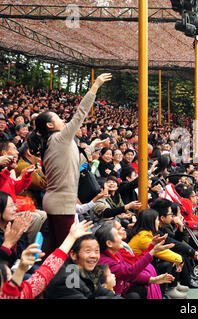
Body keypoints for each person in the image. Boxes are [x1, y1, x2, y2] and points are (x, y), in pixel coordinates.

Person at [27, 73, 112, 254]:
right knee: (67, 250)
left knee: (55, 248)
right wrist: (95, 86)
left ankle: (49, 280)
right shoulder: (59, 138)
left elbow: (76, 161)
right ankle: (64, 281)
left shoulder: (55, 142)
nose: (63, 120)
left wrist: (92, 147)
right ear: (50, 125)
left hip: (57, 202)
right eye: (58, 118)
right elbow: (80, 114)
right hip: (61, 204)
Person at [0, 219, 93, 299]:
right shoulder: (17, 294)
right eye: (9, 279)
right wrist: (20, 270)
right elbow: (10, 292)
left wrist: (71, 237)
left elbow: (46, 271)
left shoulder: (22, 293)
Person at [95, 220, 175, 299]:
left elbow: (128, 273)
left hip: (124, 287)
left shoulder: (116, 252)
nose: (121, 235)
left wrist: (152, 280)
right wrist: (152, 251)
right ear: (109, 243)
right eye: (117, 233)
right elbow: (130, 271)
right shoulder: (106, 262)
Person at [127, 209, 186, 299]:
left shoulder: (145, 233)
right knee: (167, 263)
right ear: (151, 222)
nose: (158, 222)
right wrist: (180, 259)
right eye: (157, 220)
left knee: (170, 261)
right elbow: (161, 252)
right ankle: (163, 294)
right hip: (136, 268)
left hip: (139, 265)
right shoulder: (143, 237)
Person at [44, 233, 121, 299]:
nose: (93, 255)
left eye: (96, 251)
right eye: (88, 251)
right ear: (73, 255)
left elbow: (102, 291)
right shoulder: (67, 279)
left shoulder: (85, 269)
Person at [151, 198, 198, 289]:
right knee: (178, 254)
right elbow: (173, 243)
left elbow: (175, 240)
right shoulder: (157, 229)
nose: (172, 216)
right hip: (154, 262)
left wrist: (180, 226)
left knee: (180, 252)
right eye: (170, 214)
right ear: (162, 218)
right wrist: (193, 252)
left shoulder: (161, 226)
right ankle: (172, 287)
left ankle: (185, 280)